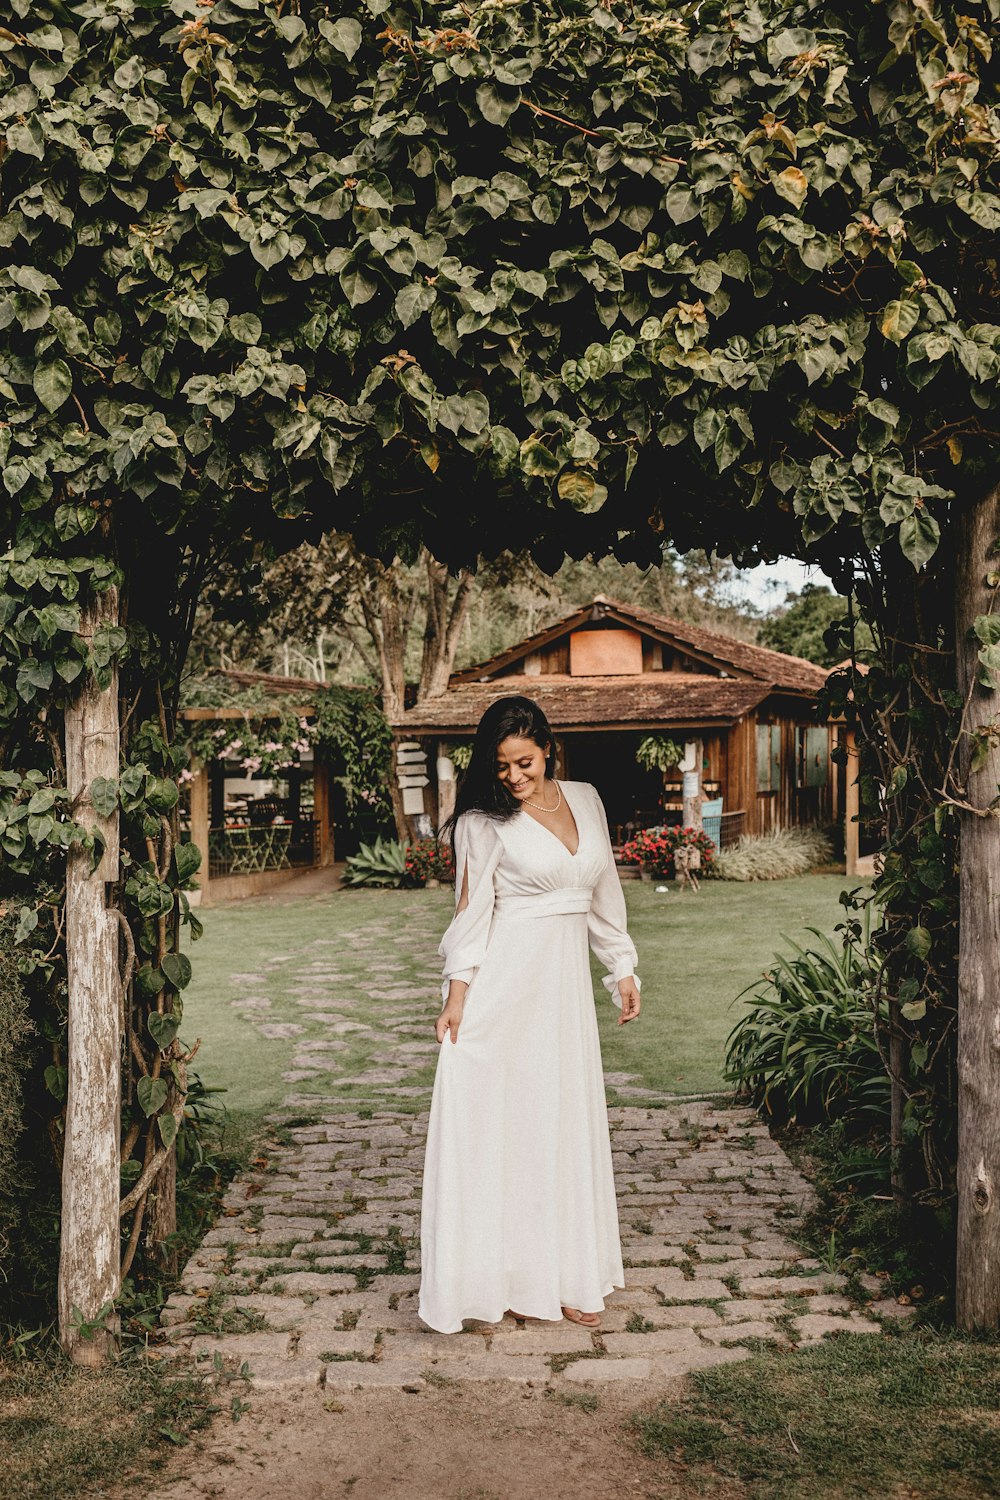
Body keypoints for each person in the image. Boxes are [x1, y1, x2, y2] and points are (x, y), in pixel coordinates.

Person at [418, 695, 642, 1333]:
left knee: (562, 1121)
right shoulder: (481, 822)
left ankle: (569, 1275)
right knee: (507, 1126)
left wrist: (620, 968)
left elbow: (602, 893)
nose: (514, 777)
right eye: (502, 767)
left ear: (548, 749)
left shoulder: (587, 798)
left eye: (525, 762)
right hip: (508, 985)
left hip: (564, 992)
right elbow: (471, 911)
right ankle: (497, 1277)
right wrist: (457, 995)